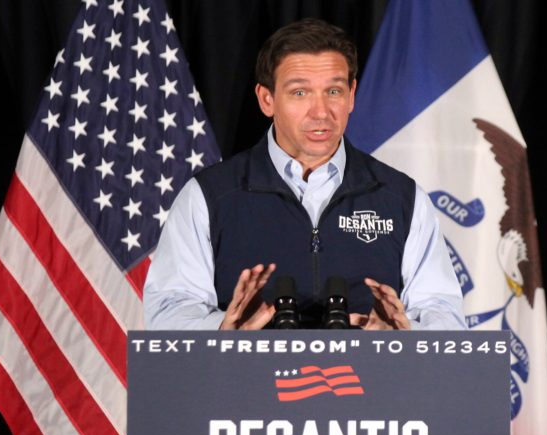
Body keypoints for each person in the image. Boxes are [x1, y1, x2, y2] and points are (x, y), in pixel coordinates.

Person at [144, 18, 465, 331]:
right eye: (300, 93)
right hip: (247, 381)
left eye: (334, 91)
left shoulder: (401, 197)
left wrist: (403, 335)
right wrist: (224, 331)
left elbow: (444, 313)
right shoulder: (209, 196)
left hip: (371, 381)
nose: (321, 112)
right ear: (267, 99)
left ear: (352, 95)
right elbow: (169, 310)